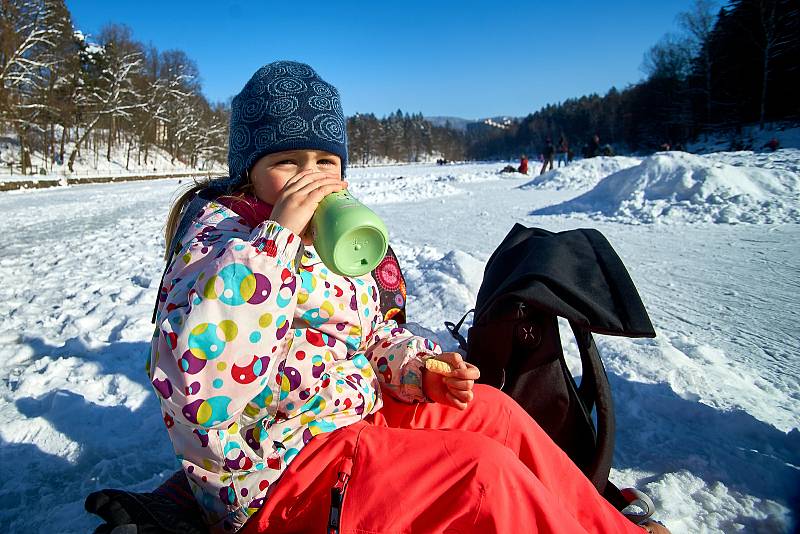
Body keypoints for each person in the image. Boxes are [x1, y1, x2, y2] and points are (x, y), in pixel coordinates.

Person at [148, 60, 669, 534]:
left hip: (351, 425)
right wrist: (275, 244)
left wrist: (419, 370)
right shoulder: (219, 246)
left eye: (326, 161)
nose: (312, 179)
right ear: (248, 172)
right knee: (477, 476)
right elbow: (197, 389)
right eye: (288, 161)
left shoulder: (330, 243)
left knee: (494, 413)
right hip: (278, 477)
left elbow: (372, 333)